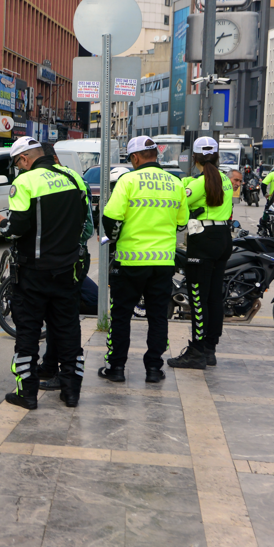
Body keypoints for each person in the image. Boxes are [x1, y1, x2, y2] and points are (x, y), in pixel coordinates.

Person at [0, 137, 88, 410]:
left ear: (24, 159)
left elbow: (17, 228)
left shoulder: (25, 182)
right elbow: (84, 219)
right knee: (68, 332)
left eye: (17, 164)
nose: (18, 169)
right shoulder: (74, 178)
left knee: (27, 333)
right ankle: (71, 393)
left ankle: (27, 394)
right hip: (67, 270)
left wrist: (4, 226)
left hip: (33, 273)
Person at [100, 136, 188, 384]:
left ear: (135, 158)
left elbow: (111, 219)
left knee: (121, 316)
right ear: (155, 155)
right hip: (162, 263)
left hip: (129, 263)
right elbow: (182, 223)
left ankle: (116, 368)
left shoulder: (128, 180)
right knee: (158, 316)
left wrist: (115, 239)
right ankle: (153, 369)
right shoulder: (175, 183)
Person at [167, 137, 234, 370]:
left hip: (203, 240)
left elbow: (177, 201)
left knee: (197, 298)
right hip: (224, 238)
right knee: (215, 298)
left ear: (193, 158)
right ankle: (209, 349)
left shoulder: (197, 183)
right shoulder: (224, 179)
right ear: (217, 156)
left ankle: (196, 351)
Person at [36, 142, 95, 392]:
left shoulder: (63, 182)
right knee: (55, 318)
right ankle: (50, 364)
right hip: (69, 260)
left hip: (66, 264)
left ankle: (64, 372)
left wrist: (65, 247)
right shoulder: (75, 180)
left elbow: (88, 228)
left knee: (64, 321)